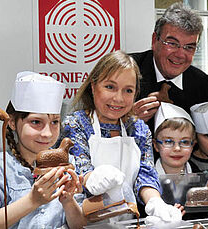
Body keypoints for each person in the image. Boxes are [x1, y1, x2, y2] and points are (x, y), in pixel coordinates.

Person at [60, 50, 182, 224]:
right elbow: (79, 168)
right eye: (110, 87)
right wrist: (92, 178)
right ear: (93, 87)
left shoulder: (138, 128)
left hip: (128, 221)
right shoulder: (75, 124)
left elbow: (144, 174)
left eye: (128, 90)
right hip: (81, 222)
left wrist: (155, 202)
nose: (118, 98)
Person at [0, 72, 86, 229]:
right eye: (36, 122)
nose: (48, 134)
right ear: (13, 122)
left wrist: (68, 201)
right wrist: (32, 200)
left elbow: (79, 225)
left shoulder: (67, 163)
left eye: (55, 122)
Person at [130, 2, 208, 133]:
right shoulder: (124, 72)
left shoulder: (207, 89)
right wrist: (126, 121)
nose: (180, 55)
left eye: (189, 47)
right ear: (154, 40)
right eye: (172, 44)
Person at [153, 102, 208, 217]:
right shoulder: (147, 180)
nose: (177, 148)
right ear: (156, 145)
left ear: (193, 145)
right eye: (168, 142)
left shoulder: (201, 177)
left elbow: (204, 217)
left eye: (185, 142)